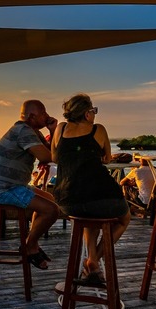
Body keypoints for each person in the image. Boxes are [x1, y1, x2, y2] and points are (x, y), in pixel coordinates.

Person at [51, 94, 130, 287]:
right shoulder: (98, 129)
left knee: (88, 216)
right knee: (124, 219)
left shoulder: (60, 129)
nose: (94, 114)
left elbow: (54, 157)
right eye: (93, 111)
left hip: (68, 200)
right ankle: (94, 260)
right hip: (101, 195)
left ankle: (92, 260)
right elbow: (107, 158)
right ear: (87, 114)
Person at [0, 99, 60, 270]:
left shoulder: (32, 131)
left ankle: (30, 243)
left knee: (50, 200)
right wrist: (56, 131)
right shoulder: (23, 131)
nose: (47, 116)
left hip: (13, 185)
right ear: (32, 116)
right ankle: (29, 247)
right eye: (43, 113)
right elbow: (48, 157)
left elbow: (49, 150)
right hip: (4, 189)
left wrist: (53, 131)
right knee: (51, 210)